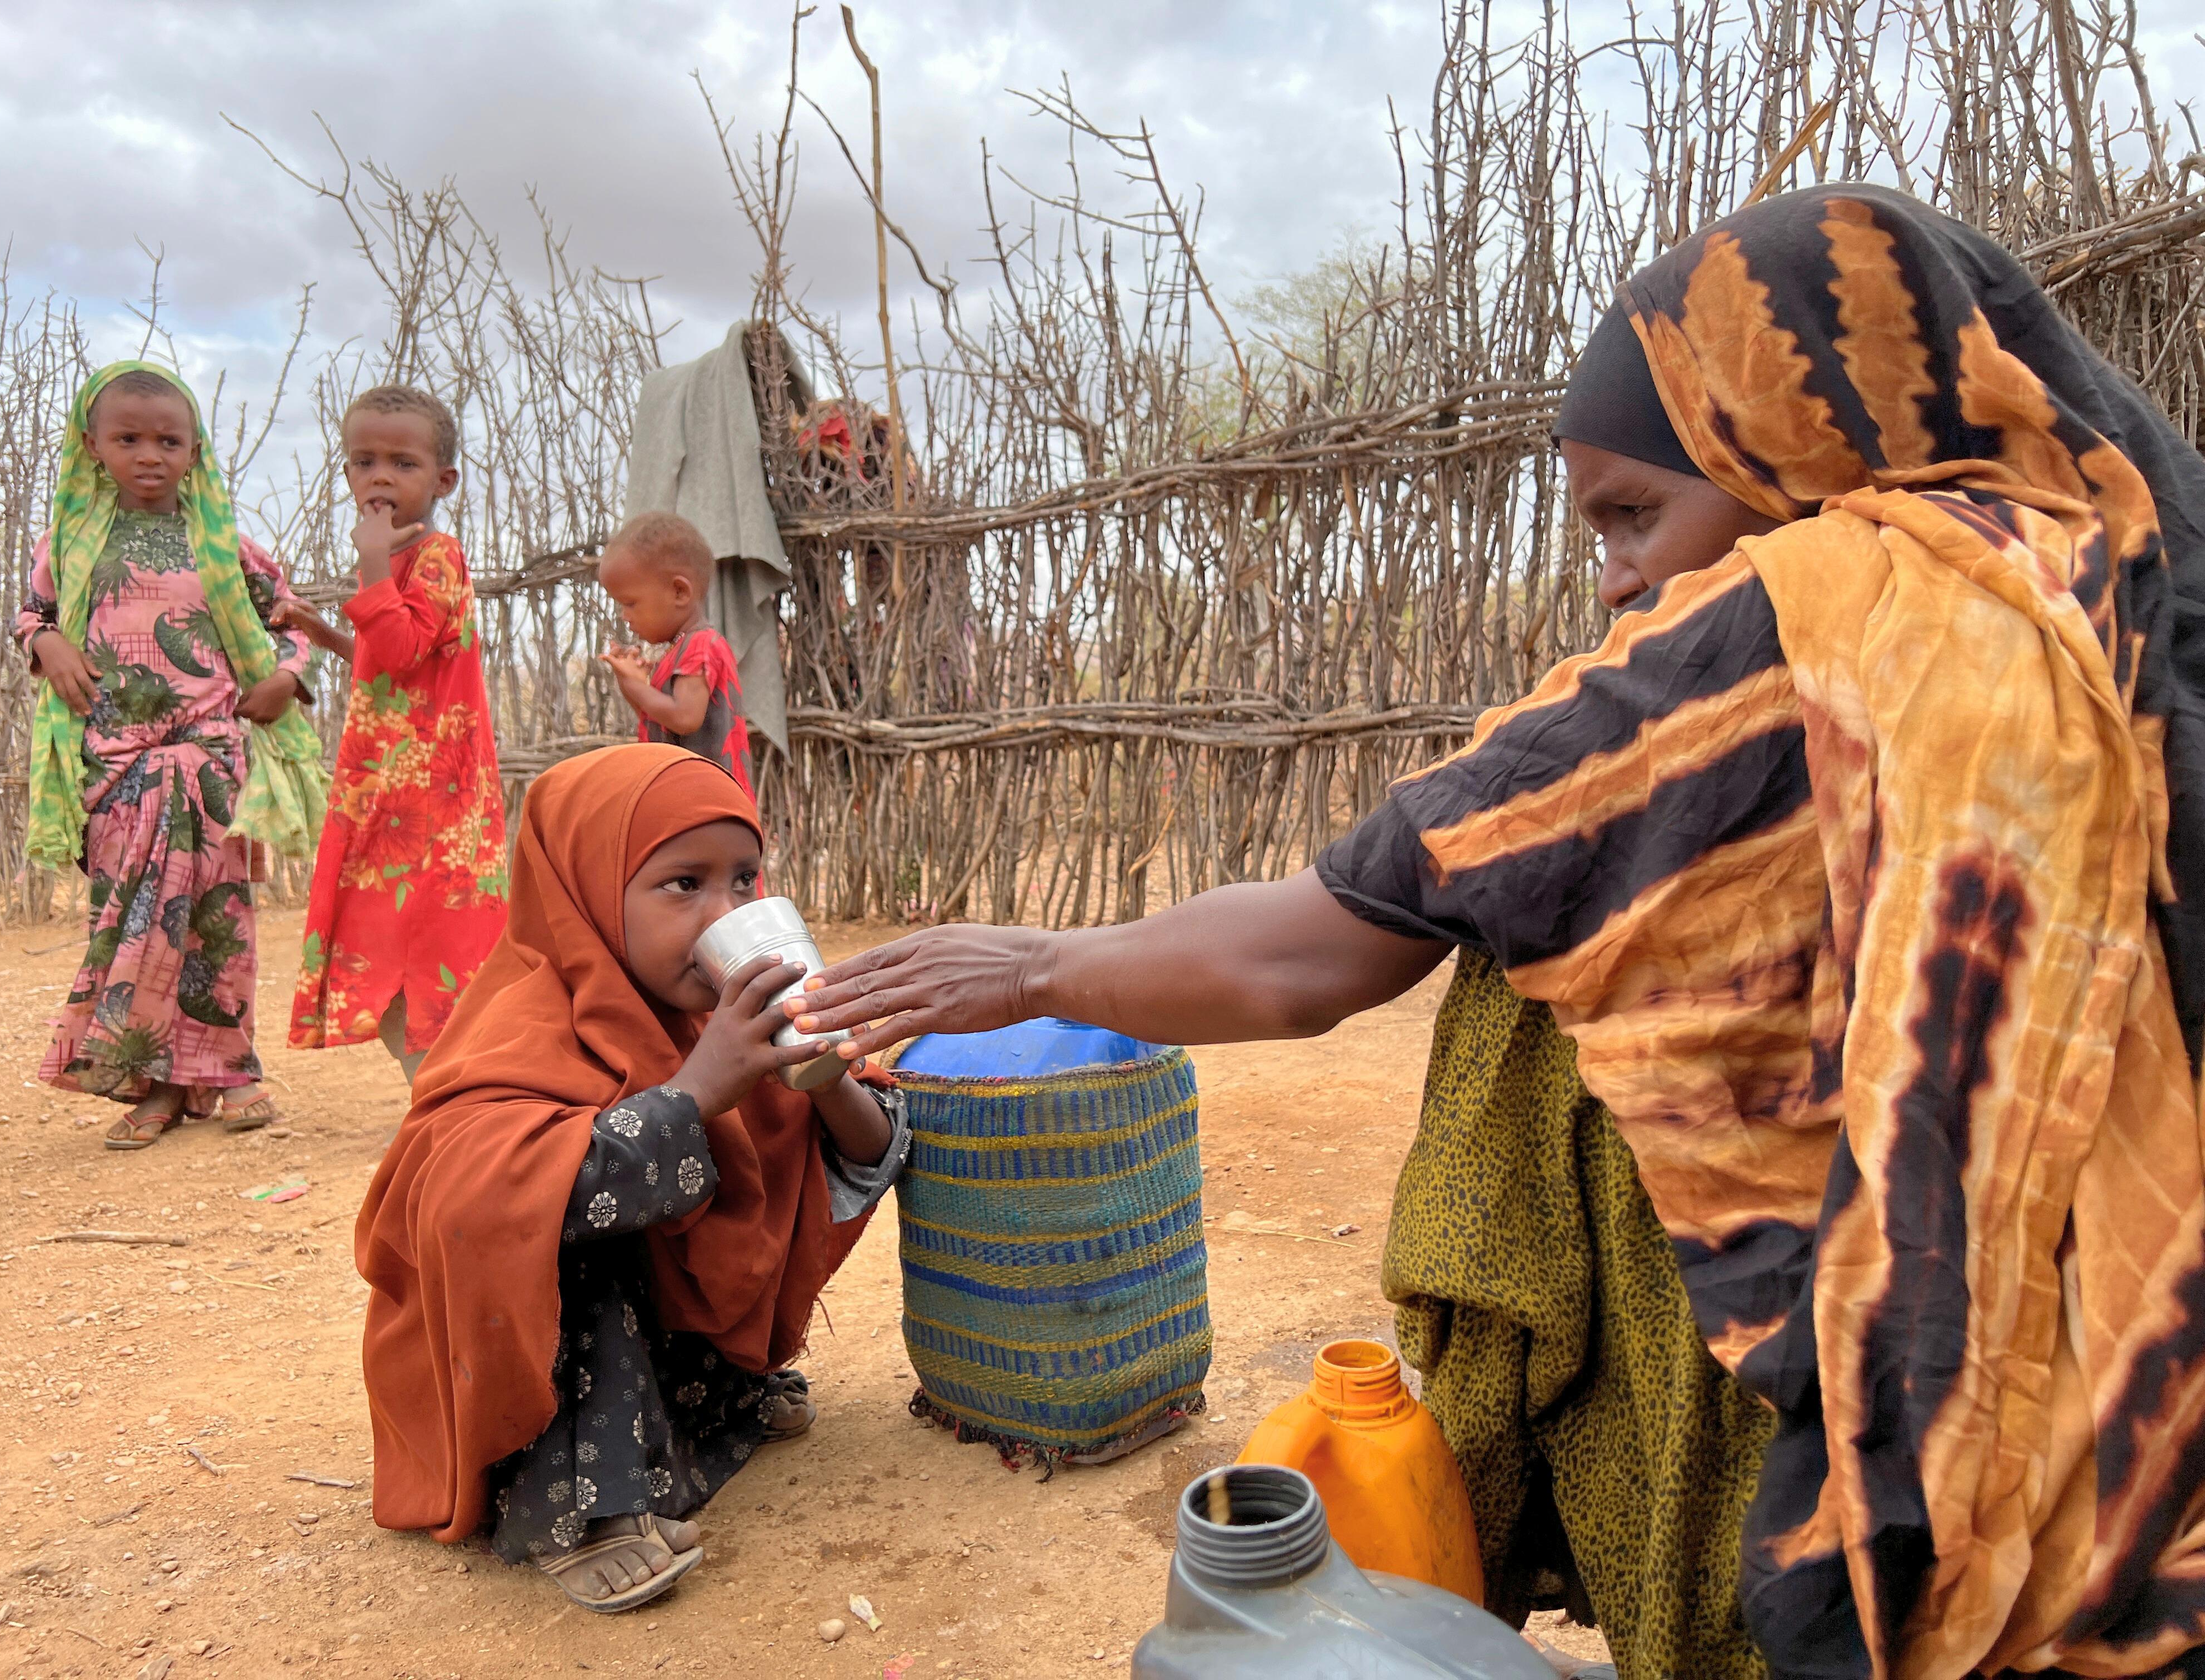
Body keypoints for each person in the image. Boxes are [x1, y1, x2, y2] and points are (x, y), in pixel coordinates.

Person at [792, 184, 2205, 1679]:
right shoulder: (2104, 592)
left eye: (1633, 512)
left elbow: (1323, 947)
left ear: (1790, 448)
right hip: (2149, 1404)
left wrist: (1035, 964)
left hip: (1937, 1452)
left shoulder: (1804, 617)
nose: (1612, 574)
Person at [356, 743, 908, 1613]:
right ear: (581, 894)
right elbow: (475, 1209)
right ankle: (582, 1509)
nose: (724, 911)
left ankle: (707, 1413)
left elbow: (873, 1152)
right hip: (526, 1371)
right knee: (559, 1213)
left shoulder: (718, 1024)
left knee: (732, 1169)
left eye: (745, 880)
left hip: (658, 1358)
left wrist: (826, 1069)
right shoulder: (523, 1025)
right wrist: (697, 1095)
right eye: (682, 885)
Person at [17, 361, 327, 1149]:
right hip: (117, 769)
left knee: (220, 920)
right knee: (138, 923)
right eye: (128, 439)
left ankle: (233, 1075)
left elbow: (291, 622)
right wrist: (46, 641)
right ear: (93, 445)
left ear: (196, 451)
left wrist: (287, 678)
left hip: (212, 761)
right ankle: (149, 1081)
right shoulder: (69, 544)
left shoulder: (226, 543)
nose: (149, 454)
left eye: (169, 440)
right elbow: (32, 615)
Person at [277, 385, 508, 1084]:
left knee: (417, 947)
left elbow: (403, 648)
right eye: (364, 461)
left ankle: (444, 1099)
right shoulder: (404, 560)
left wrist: (372, 560)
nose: (380, 477)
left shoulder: (436, 555)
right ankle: (442, 1095)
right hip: (386, 793)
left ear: (442, 482)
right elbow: (397, 667)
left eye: (403, 464)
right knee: (382, 943)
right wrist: (322, 633)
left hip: (430, 803)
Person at [594, 512, 756, 801]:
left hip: (712, 807)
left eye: (631, 604)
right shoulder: (680, 652)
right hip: (693, 803)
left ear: (679, 592)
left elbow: (684, 717)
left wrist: (638, 688)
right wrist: (634, 684)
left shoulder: (702, 646)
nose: (625, 616)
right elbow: (662, 723)